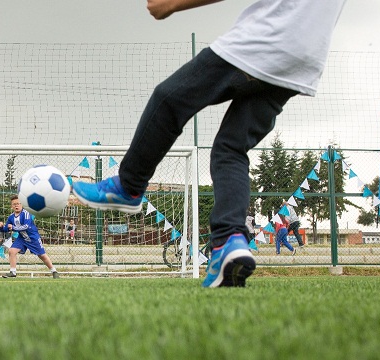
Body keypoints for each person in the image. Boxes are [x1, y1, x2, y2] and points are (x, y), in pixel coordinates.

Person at [71, 0, 346, 287]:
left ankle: (128, 187)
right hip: (305, 56)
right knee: (231, 148)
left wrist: (173, 3)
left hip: (270, 37)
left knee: (169, 101)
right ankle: (229, 242)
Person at [0, 195, 60, 279]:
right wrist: (0, 227)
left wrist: (13, 227)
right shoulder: (11, 217)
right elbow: (6, 229)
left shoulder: (26, 214)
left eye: (18, 203)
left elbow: (26, 226)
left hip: (33, 238)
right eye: (14, 204)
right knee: (11, 251)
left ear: (22, 204)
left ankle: (54, 271)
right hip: (22, 238)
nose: (16, 205)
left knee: (42, 255)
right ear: (11, 206)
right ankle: (13, 272)